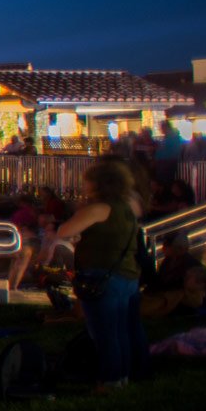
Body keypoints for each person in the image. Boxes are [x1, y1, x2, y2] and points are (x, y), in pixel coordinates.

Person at [54, 157, 146, 388]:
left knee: (105, 333)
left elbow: (64, 230)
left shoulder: (98, 209)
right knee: (122, 330)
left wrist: (79, 212)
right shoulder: (129, 206)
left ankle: (110, 379)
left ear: (98, 183)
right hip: (127, 274)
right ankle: (125, 376)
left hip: (102, 276)